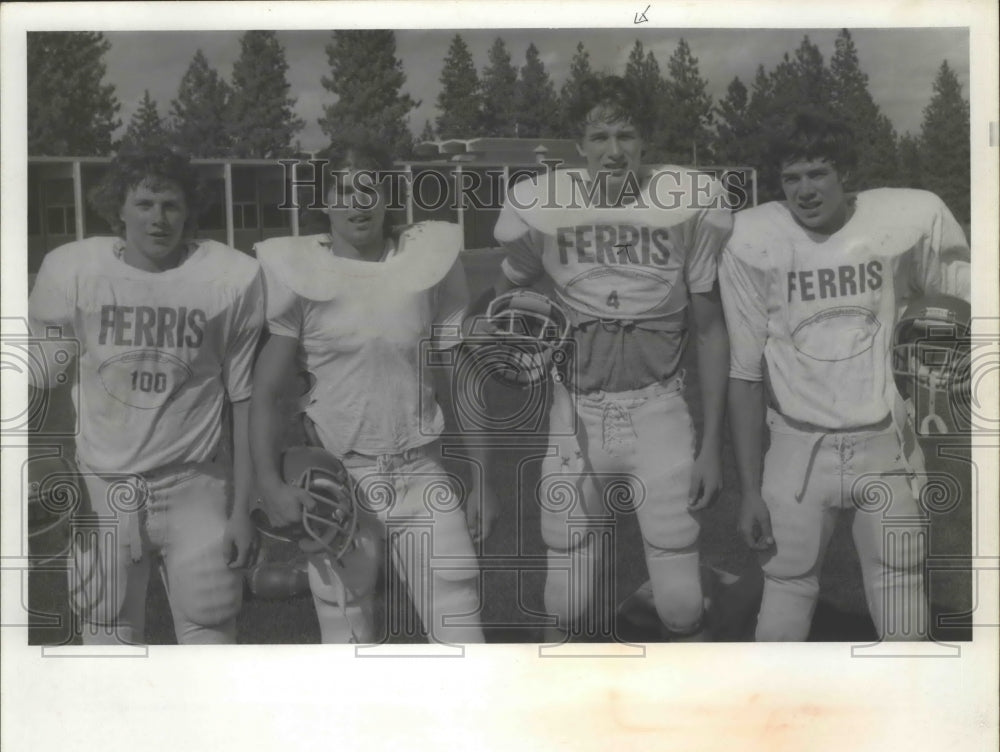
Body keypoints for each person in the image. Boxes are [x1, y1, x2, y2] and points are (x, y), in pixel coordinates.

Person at [490, 76, 733, 642]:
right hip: (576, 414)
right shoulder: (543, 210)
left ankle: (694, 713)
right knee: (567, 600)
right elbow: (503, 298)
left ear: (645, 140)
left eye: (625, 134)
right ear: (580, 144)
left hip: (658, 408)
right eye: (599, 135)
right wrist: (489, 335)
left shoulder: (683, 209)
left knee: (679, 603)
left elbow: (712, 331)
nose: (613, 150)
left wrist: (713, 445)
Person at [719, 109, 971, 641]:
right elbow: (743, 374)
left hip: (883, 445)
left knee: (902, 602)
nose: (805, 190)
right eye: (792, 177)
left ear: (845, 174)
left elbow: (966, 294)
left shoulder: (899, 223)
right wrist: (747, 490)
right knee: (784, 600)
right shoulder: (754, 239)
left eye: (818, 173)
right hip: (796, 450)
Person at [250, 139, 495, 644]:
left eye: (369, 188)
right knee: (348, 644)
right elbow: (266, 392)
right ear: (324, 201)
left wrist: (484, 479)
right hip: (341, 476)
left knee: (464, 637)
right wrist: (270, 486)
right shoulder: (300, 274)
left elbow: (461, 376)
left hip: (422, 470)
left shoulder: (428, 263)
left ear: (388, 195)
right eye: (343, 191)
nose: (357, 203)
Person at [28, 145, 264, 644]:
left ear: (189, 210)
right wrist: (43, 465)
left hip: (195, 483)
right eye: (145, 204)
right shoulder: (74, 272)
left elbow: (244, 402)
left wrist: (243, 508)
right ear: (118, 208)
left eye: (171, 205)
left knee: (212, 628)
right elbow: (37, 383)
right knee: (106, 631)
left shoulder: (230, 278)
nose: (159, 219)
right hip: (103, 485)